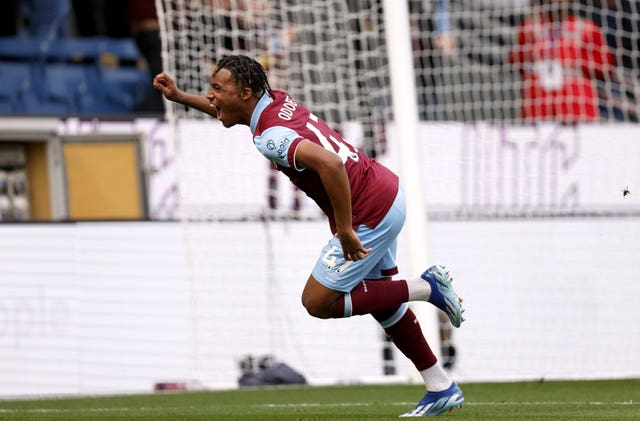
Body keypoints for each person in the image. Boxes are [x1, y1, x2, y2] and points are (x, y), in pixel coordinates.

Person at [153, 54, 466, 417]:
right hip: (383, 188)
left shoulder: (270, 137)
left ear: (246, 93)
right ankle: (440, 385)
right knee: (383, 304)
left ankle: (427, 287)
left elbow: (330, 164)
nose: (211, 96)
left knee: (318, 302)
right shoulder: (275, 101)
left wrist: (346, 230)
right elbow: (228, 112)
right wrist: (181, 98)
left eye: (217, 89)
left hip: (369, 209)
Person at [508, 0, 616, 123]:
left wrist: (577, 60)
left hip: (577, 104)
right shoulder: (529, 27)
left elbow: (606, 65)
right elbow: (515, 61)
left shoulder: (586, 27)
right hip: (539, 103)